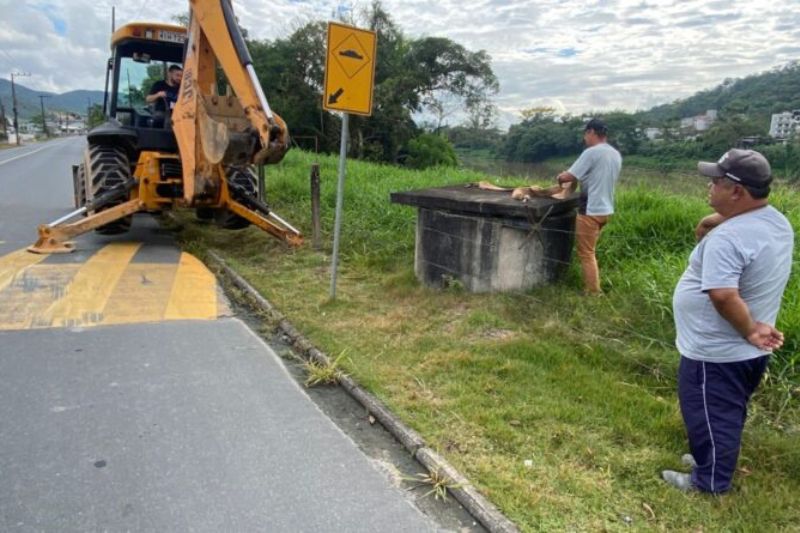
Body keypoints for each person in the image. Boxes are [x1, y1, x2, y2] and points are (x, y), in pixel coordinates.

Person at [664, 149, 794, 494]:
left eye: (716, 182)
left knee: (711, 414)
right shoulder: (775, 222)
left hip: (717, 349)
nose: (709, 187)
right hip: (742, 351)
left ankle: (709, 483)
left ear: (736, 191)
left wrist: (750, 329)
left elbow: (722, 294)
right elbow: (746, 229)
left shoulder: (729, 238)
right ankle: (708, 460)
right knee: (723, 411)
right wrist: (715, 220)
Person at [557, 118, 622, 294]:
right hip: (606, 209)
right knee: (590, 251)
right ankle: (592, 287)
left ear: (592, 132)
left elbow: (569, 177)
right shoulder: (614, 154)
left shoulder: (591, 152)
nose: (585, 137)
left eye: (586, 133)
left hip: (590, 210)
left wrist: (560, 177)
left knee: (586, 253)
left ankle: (593, 292)